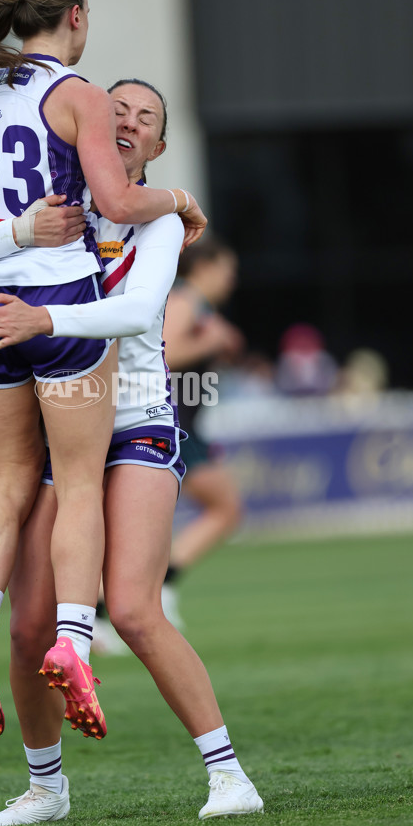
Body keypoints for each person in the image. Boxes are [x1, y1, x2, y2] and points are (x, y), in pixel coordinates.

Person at [0, 78, 264, 823]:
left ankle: (229, 775)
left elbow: (139, 311)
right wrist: (9, 237)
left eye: (145, 118)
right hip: (62, 425)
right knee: (27, 626)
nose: (127, 122)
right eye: (117, 110)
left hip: (136, 420)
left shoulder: (161, 219)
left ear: (160, 148)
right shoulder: (59, 207)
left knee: (137, 611)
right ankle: (46, 788)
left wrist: (38, 318)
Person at [0, 0, 206, 740]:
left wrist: (9, 226)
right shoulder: (76, 95)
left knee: (5, 482)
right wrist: (175, 197)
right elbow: (116, 202)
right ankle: (74, 639)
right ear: (77, 16)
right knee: (74, 483)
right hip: (57, 300)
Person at [161, 239, 245, 627]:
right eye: (227, 272)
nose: (231, 281)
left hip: (185, 422)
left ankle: (106, 609)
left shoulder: (198, 307)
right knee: (224, 506)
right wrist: (212, 340)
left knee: (222, 507)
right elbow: (164, 354)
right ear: (205, 269)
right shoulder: (185, 302)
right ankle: (161, 586)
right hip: (174, 422)